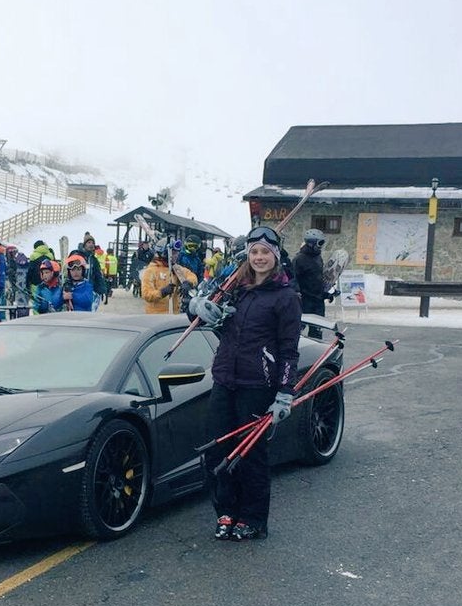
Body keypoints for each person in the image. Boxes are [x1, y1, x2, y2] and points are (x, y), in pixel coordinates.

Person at [199, 225, 301, 542]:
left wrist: (285, 392)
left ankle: (254, 519)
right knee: (217, 451)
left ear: (276, 257)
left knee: (250, 455)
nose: (259, 257)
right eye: (254, 252)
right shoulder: (236, 290)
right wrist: (209, 314)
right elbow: (223, 330)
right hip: (224, 378)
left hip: (258, 385)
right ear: (248, 256)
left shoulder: (286, 298)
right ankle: (226, 512)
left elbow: (288, 351)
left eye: (265, 253)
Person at [140, 239, 197, 314]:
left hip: (173, 315)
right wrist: (162, 292)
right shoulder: (151, 271)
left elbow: (192, 276)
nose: (176, 256)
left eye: (177, 253)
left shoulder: (176, 269)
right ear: (164, 254)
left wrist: (188, 283)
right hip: (155, 316)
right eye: (173, 253)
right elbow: (146, 294)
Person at [293, 228, 330, 316]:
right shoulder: (299, 259)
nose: (321, 246)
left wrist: (326, 294)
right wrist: (296, 293)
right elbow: (293, 278)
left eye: (322, 243)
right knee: (299, 327)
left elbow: (318, 279)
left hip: (318, 301)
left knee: (317, 328)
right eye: (320, 243)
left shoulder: (318, 258)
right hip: (305, 301)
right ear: (311, 243)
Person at [78, 233, 108, 306]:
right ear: (84, 244)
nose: (91, 244)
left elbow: (98, 275)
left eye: (93, 243)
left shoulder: (94, 260)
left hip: (90, 288)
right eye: (89, 242)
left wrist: (102, 289)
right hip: (78, 288)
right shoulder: (78, 256)